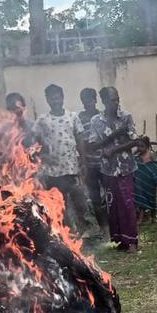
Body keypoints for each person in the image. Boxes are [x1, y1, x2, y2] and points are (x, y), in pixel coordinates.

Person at [86, 87, 140, 251]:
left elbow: (135, 141)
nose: (115, 102)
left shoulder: (126, 117)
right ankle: (119, 240)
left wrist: (114, 150)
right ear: (103, 101)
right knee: (113, 205)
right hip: (108, 169)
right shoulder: (96, 121)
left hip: (126, 167)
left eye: (117, 99)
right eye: (111, 100)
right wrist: (113, 136)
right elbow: (93, 145)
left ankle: (132, 241)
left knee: (127, 203)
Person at [34, 84, 90, 230]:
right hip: (53, 172)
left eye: (57, 97)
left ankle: (84, 231)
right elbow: (34, 143)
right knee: (59, 205)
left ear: (62, 98)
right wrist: (44, 156)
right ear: (47, 100)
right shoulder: (42, 120)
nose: (55, 101)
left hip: (72, 168)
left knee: (80, 201)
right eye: (52, 98)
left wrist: (83, 162)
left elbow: (80, 140)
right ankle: (67, 233)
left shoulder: (73, 117)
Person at [77, 87, 108, 234]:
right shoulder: (79, 118)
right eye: (84, 100)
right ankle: (103, 229)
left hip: (105, 163)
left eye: (90, 99)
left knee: (109, 196)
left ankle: (113, 227)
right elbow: (80, 141)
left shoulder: (103, 116)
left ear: (95, 100)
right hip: (89, 165)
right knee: (95, 198)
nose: (87, 103)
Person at [0, 92, 36, 175]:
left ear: (24, 107)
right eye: (12, 109)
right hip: (11, 176)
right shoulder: (4, 130)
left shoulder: (33, 127)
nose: (16, 111)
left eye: (18, 108)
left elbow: (42, 153)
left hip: (32, 175)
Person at [133, 139, 157, 222]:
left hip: (150, 183)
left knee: (152, 199)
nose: (140, 148)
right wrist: (135, 152)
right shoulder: (137, 156)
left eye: (142, 146)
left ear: (147, 146)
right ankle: (140, 218)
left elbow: (156, 167)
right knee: (141, 199)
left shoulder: (151, 154)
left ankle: (153, 217)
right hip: (140, 183)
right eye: (138, 146)